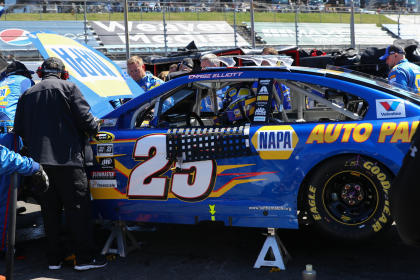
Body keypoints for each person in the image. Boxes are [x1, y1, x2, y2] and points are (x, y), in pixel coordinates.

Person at [14, 57, 106, 271]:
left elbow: (18, 130)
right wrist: (96, 126)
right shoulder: (69, 87)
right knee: (77, 210)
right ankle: (84, 259)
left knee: (49, 212)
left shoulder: (27, 94)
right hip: (69, 162)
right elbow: (88, 122)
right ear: (63, 72)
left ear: (41, 72)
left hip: (38, 165)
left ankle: (54, 259)